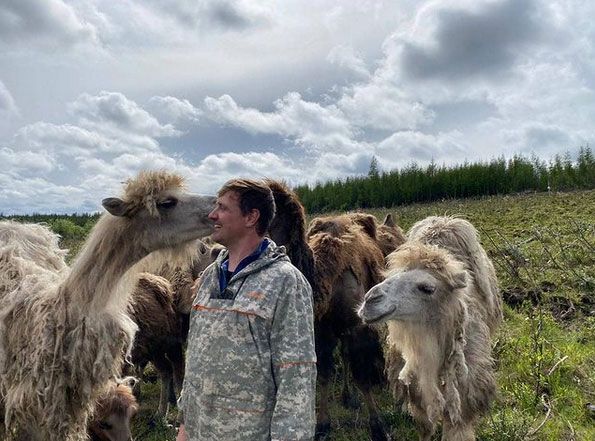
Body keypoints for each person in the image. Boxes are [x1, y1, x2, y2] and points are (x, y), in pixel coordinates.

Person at [176, 178, 316, 441]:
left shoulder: (285, 282)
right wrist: (185, 425)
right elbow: (196, 357)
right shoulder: (208, 278)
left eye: (223, 208)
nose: (212, 214)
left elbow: (296, 373)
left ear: (252, 217)